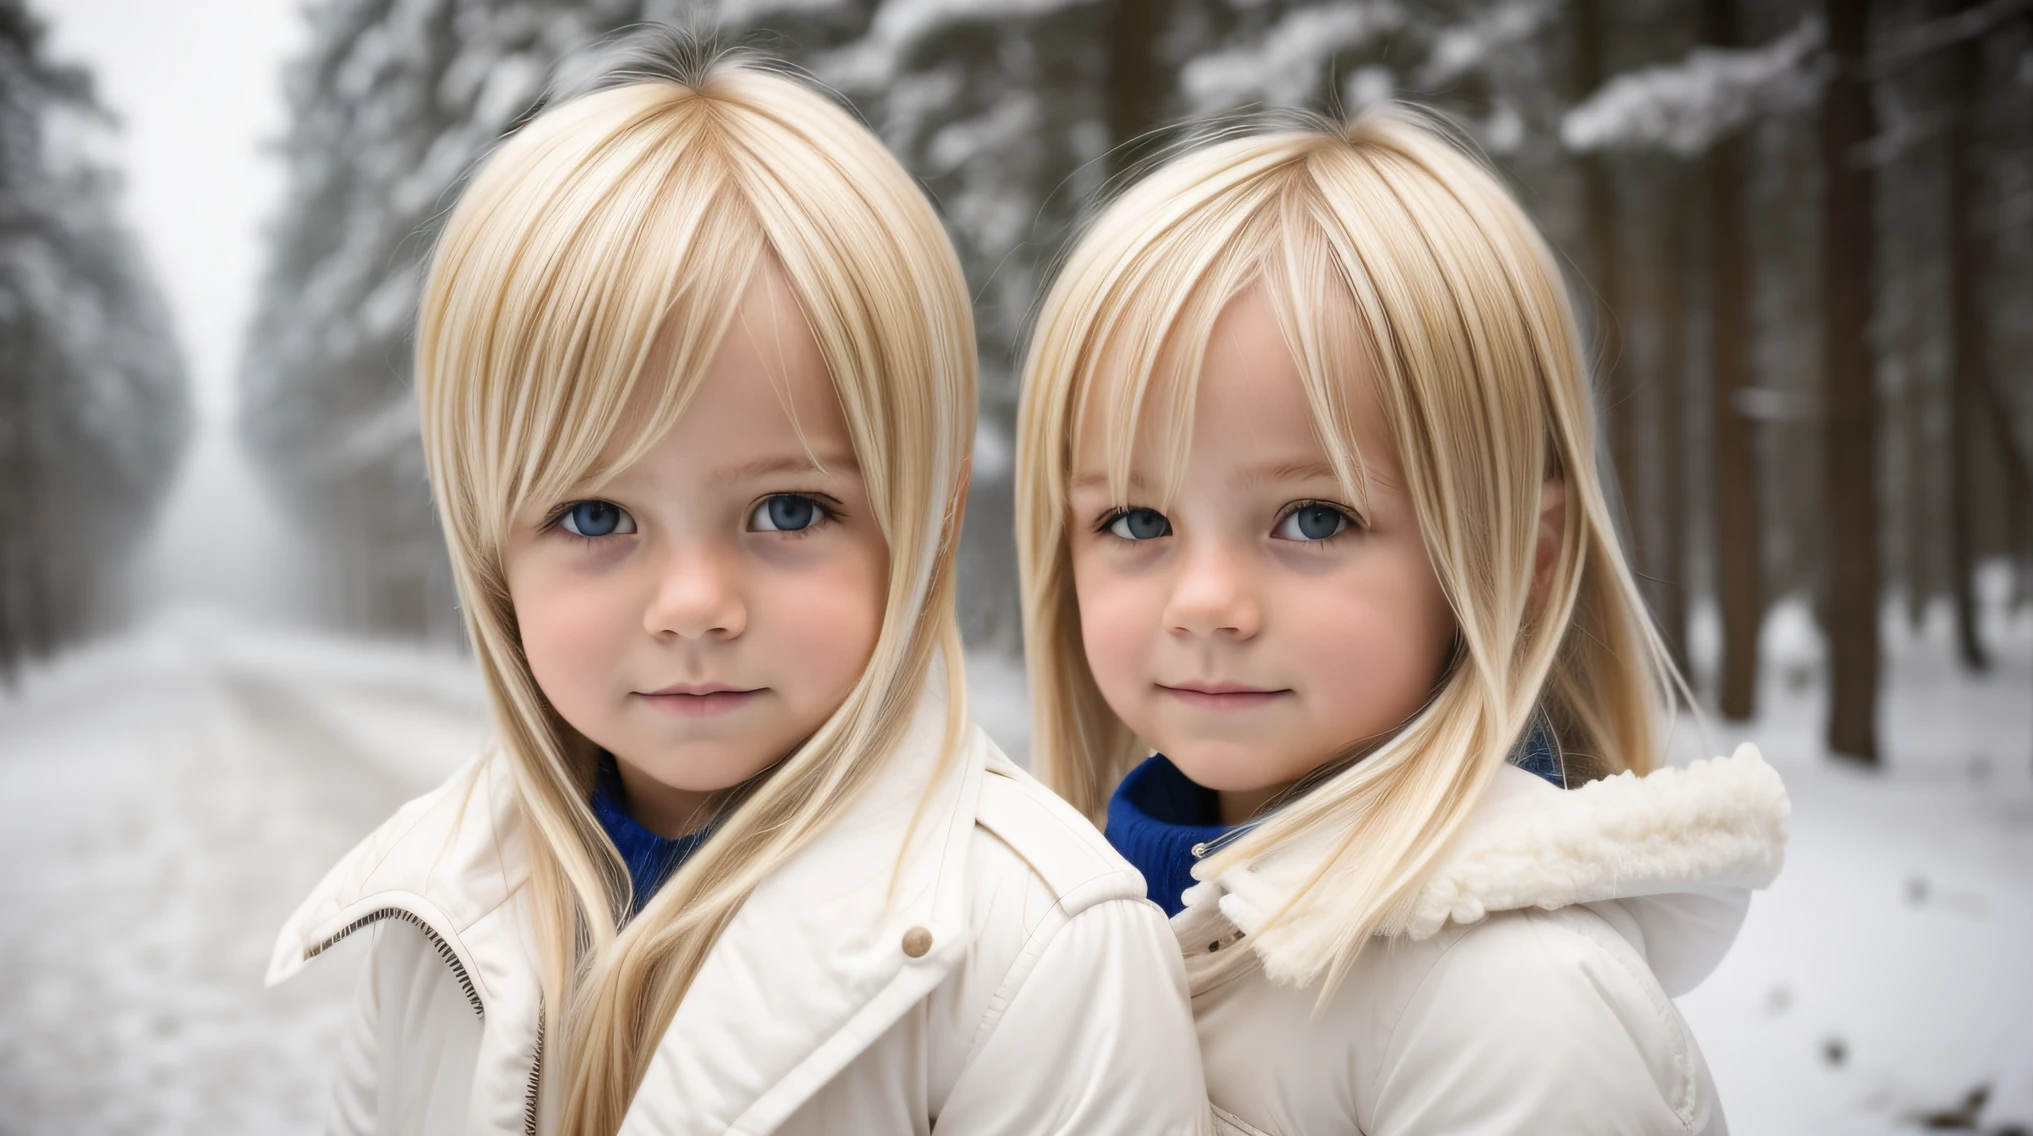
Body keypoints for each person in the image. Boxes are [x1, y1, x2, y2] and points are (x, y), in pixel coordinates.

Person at [269, 39, 1207, 1136]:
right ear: (488, 542)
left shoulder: (1041, 952)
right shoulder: (438, 905)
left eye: (787, 510)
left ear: (930, 513)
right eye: (594, 516)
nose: (692, 604)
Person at [1015, 107, 1790, 1135]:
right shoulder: (1061, 929)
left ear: (1520, 557)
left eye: (1313, 517)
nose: (1202, 599)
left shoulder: (1509, 1002)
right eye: (1135, 518)